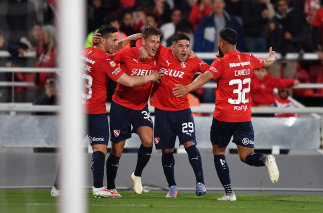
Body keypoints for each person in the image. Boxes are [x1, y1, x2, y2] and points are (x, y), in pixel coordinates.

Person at [51, 25, 162, 198]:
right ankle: (101, 187)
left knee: (76, 150)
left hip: (79, 109)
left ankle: (59, 187)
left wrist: (125, 40)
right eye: (114, 40)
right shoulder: (108, 61)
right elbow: (129, 81)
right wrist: (151, 77)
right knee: (102, 149)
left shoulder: (85, 52)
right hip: (99, 110)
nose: (116, 43)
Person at [173, 28, 279, 201]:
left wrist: (186, 88)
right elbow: (266, 63)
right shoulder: (249, 58)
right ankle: (266, 159)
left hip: (224, 117)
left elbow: (205, 77)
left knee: (219, 152)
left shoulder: (221, 63)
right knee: (247, 156)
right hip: (244, 117)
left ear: (221, 43)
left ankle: (229, 193)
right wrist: (272, 58)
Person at [138, 33, 210, 198]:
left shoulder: (194, 61)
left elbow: (210, 73)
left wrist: (189, 87)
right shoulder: (162, 52)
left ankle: (201, 183)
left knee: (190, 144)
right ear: (173, 47)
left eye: (187, 46)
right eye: (180, 46)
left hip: (183, 112)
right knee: (167, 150)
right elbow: (146, 41)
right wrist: (141, 47)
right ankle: (172, 187)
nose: (184, 49)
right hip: (163, 113)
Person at [101, 26, 162, 196]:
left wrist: (191, 54)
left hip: (140, 106)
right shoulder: (128, 54)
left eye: (158, 41)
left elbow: (177, 52)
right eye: (153, 41)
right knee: (117, 150)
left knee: (149, 140)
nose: (156, 45)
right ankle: (111, 187)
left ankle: (137, 175)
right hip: (120, 105)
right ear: (143, 42)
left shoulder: (159, 56)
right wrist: (128, 40)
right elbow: (109, 54)